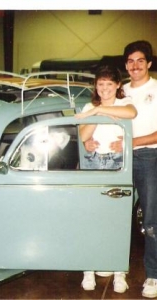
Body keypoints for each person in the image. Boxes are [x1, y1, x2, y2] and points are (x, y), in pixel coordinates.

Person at [84, 40, 157, 299]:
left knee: (149, 219)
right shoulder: (120, 90)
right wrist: (89, 141)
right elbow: (97, 122)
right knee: (115, 215)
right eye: (130, 61)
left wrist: (131, 142)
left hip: (148, 156)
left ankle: (153, 275)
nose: (135, 66)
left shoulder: (156, 89)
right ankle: (113, 265)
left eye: (140, 61)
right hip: (117, 161)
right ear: (125, 66)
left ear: (148, 63)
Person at [76, 64, 137, 293]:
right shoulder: (89, 105)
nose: (104, 89)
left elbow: (131, 114)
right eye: (100, 84)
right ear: (95, 85)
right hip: (93, 161)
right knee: (91, 216)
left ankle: (119, 270)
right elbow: (83, 135)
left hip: (118, 162)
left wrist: (99, 111)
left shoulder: (123, 104)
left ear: (118, 85)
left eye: (109, 84)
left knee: (117, 219)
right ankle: (89, 269)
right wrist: (94, 114)